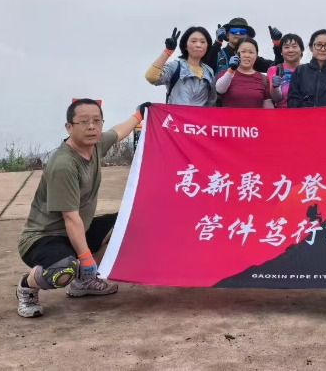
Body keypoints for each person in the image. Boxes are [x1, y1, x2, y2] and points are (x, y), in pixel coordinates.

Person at [16, 99, 150, 318]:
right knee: (63, 269)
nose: (91, 127)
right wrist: (86, 258)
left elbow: (118, 132)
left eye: (96, 121)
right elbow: (70, 218)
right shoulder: (64, 165)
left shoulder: (95, 145)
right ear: (69, 127)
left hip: (77, 230)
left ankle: (84, 282)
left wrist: (138, 116)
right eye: (84, 122)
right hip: (44, 238)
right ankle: (27, 287)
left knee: (128, 223)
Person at [145, 26, 217, 106]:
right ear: (185, 45)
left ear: (207, 47)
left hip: (199, 118)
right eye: (193, 41)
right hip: (176, 117)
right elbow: (151, 77)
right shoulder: (176, 67)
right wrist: (168, 51)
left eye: (203, 42)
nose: (198, 45)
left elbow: (211, 103)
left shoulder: (209, 72)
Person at [287, 30, 326, 108]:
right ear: (311, 47)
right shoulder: (300, 71)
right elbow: (291, 101)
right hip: (304, 118)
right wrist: (304, 105)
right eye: (319, 45)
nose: (323, 49)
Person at [206, 17, 283, 77]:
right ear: (227, 34)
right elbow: (206, 66)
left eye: (242, 31)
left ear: (247, 36)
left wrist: (277, 43)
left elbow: (278, 66)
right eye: (234, 30)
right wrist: (217, 42)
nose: (238, 33)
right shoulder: (218, 55)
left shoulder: (252, 58)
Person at [215, 37, 275, 108]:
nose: (247, 55)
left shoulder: (263, 79)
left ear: (256, 55)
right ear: (236, 53)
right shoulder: (225, 74)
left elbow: (268, 108)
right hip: (229, 118)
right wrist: (231, 70)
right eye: (243, 51)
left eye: (251, 52)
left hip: (255, 119)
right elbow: (220, 89)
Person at [266, 33, 305, 108]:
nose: (290, 50)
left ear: (301, 50)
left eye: (294, 46)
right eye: (286, 47)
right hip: (282, 116)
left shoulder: (308, 70)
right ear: (281, 52)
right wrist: (275, 88)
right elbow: (276, 98)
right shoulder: (274, 70)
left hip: (306, 114)